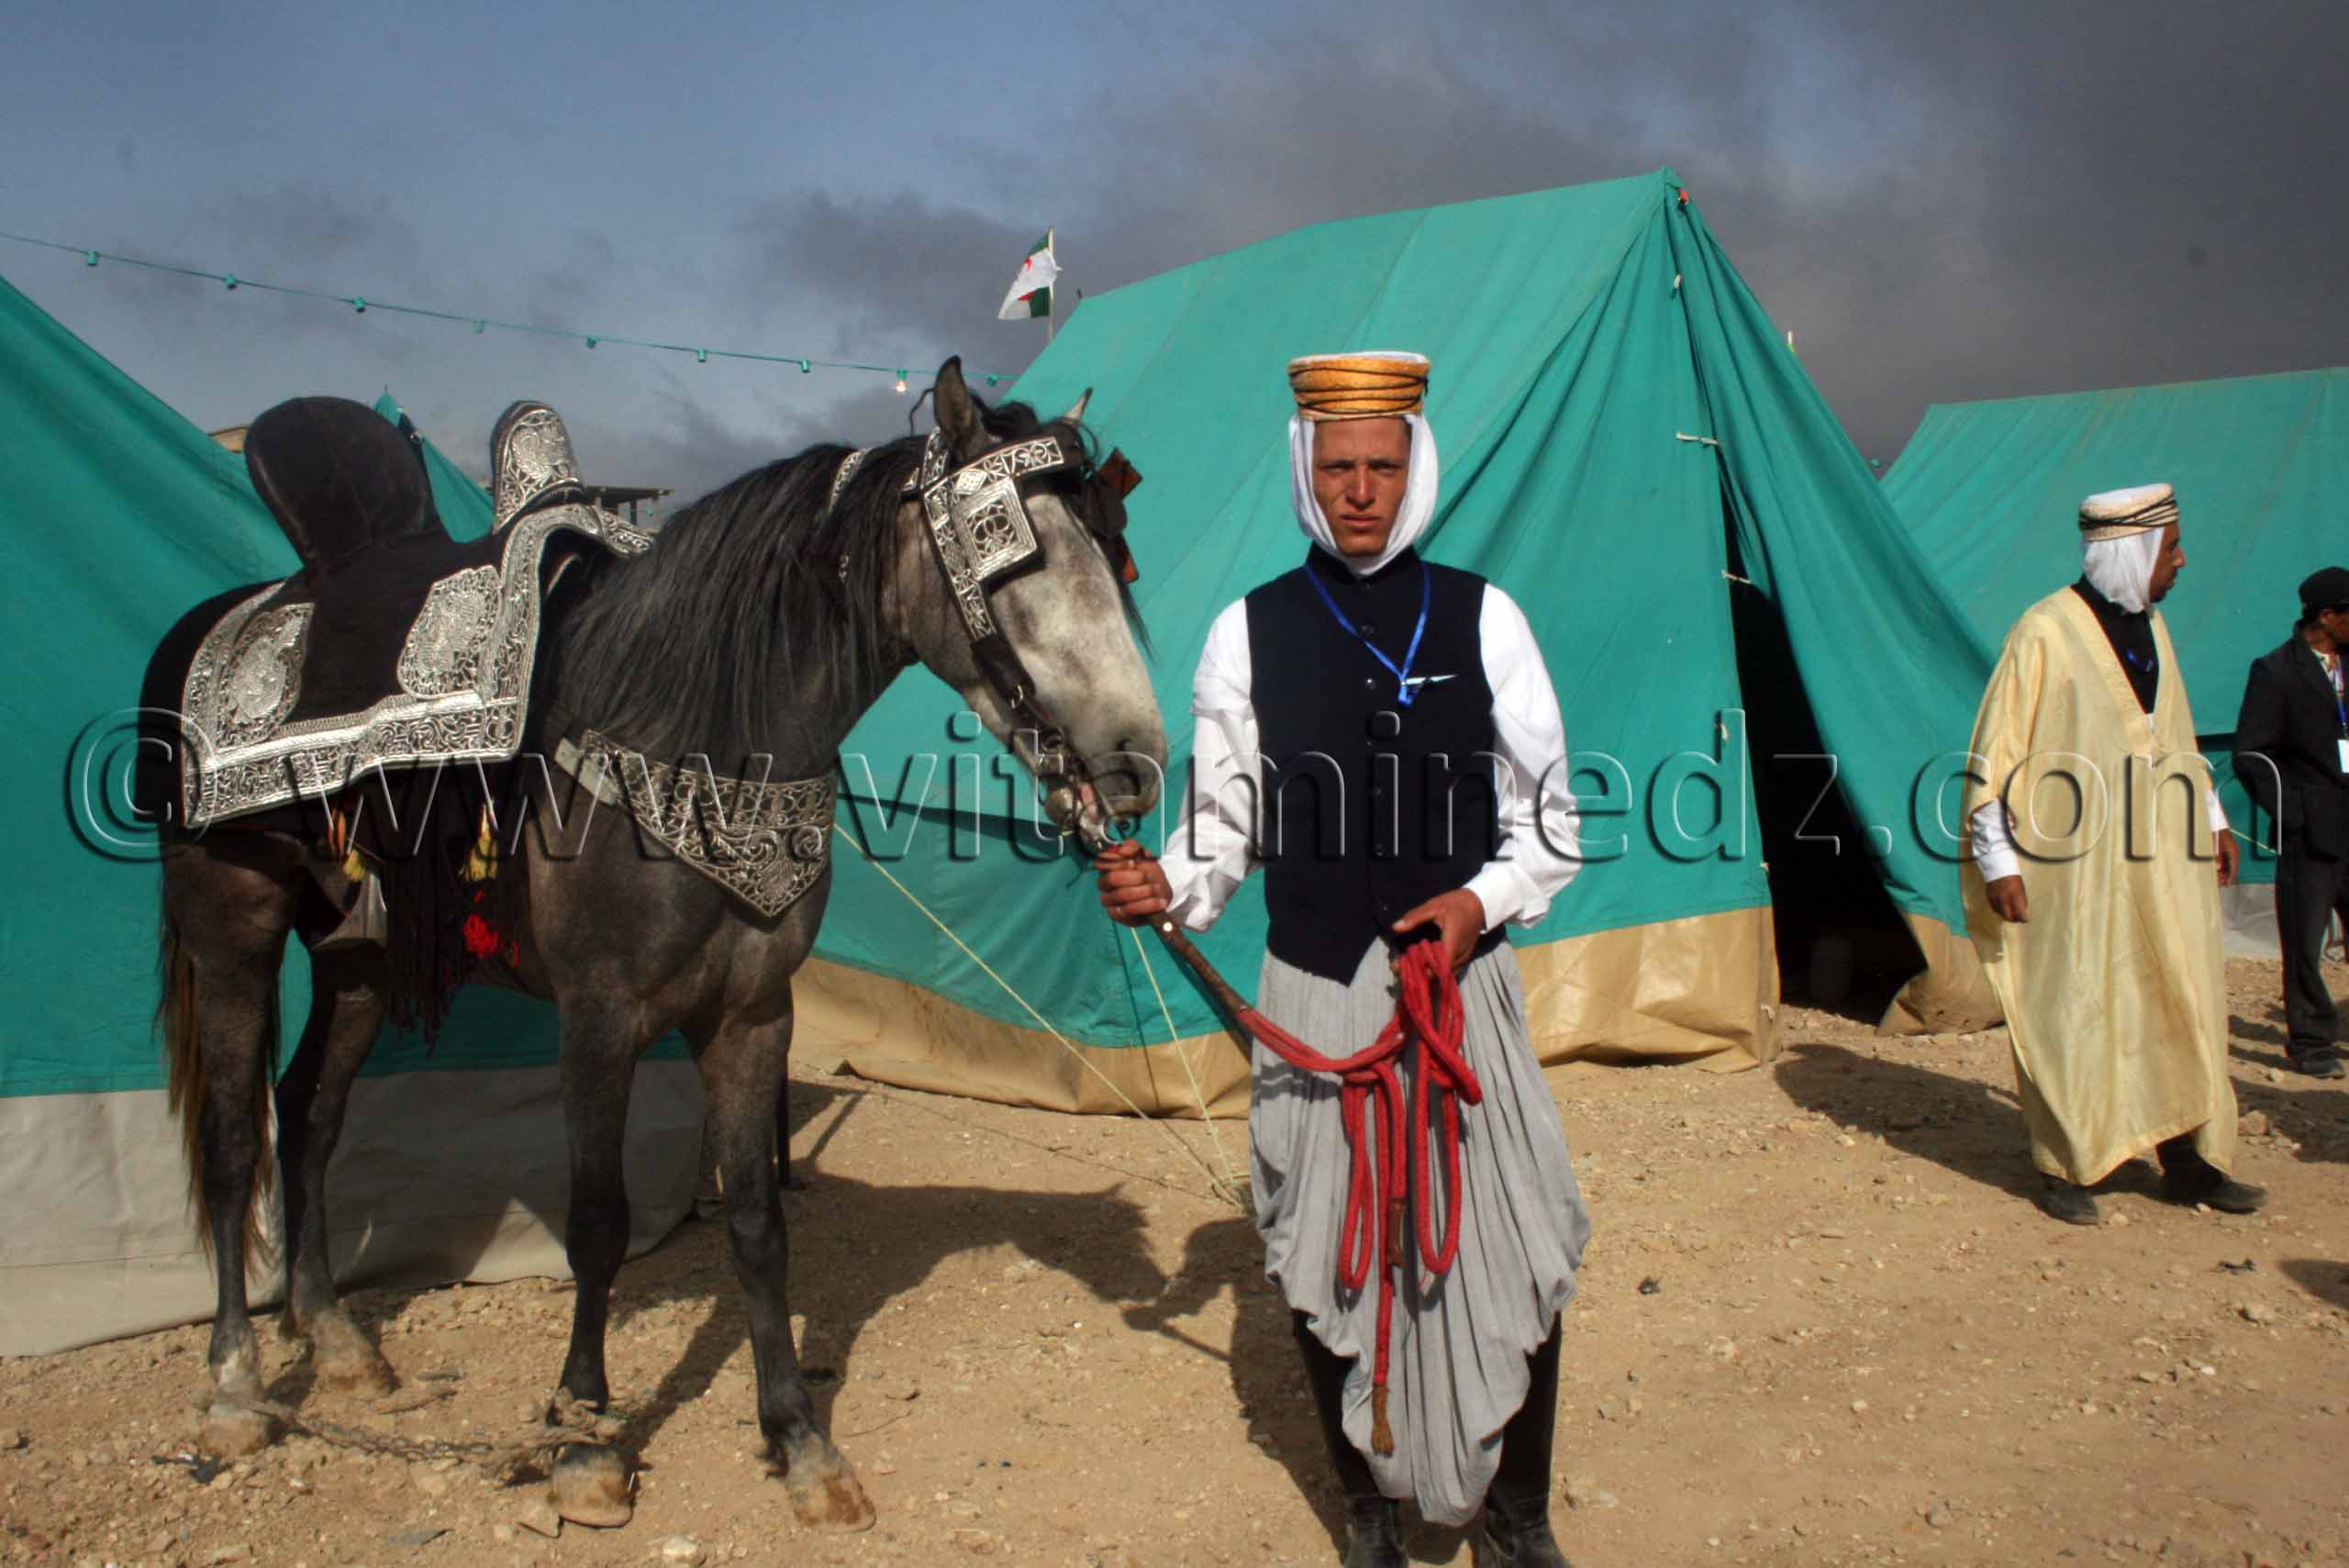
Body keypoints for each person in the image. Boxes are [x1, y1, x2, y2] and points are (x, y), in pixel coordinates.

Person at [1095, 351, 1588, 1568]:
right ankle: (1367, 1510)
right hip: (1315, 993)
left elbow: (1551, 827)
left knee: (1516, 1241)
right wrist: (1170, 886)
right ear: (1304, 474)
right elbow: (1221, 827)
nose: (1360, 490)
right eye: (1337, 468)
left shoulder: (1487, 616)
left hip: (1457, 994)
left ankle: (1517, 1514)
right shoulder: (1246, 631)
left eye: (1381, 466)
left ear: (1416, 470)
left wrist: (1476, 902)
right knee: (1324, 1248)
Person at [1963, 483, 2262, 1225]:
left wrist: (2213, 817)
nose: (2182, 561)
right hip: (2077, 873)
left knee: (2182, 998)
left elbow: (2176, 737)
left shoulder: (2153, 628)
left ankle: (2189, 1162)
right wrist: (1999, 861)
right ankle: (2067, 1164)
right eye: (2172, 547)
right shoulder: (2043, 632)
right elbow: (1994, 753)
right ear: (2133, 550)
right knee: (2078, 1006)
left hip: (2165, 865)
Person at [2231, 566, 2349, 1079]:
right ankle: (2311, 1041)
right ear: (2328, 616)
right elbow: (2252, 754)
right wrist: (2294, 813)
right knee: (2304, 940)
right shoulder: (2277, 671)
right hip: (2312, 833)